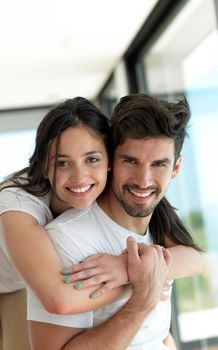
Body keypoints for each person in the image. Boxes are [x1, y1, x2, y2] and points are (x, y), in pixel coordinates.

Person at [0, 96, 202, 350]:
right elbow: (58, 299)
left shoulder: (144, 201)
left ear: (106, 160)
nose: (79, 176)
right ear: (42, 166)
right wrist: (140, 283)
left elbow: (194, 258)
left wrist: (132, 269)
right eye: (62, 163)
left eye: (92, 159)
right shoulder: (19, 204)